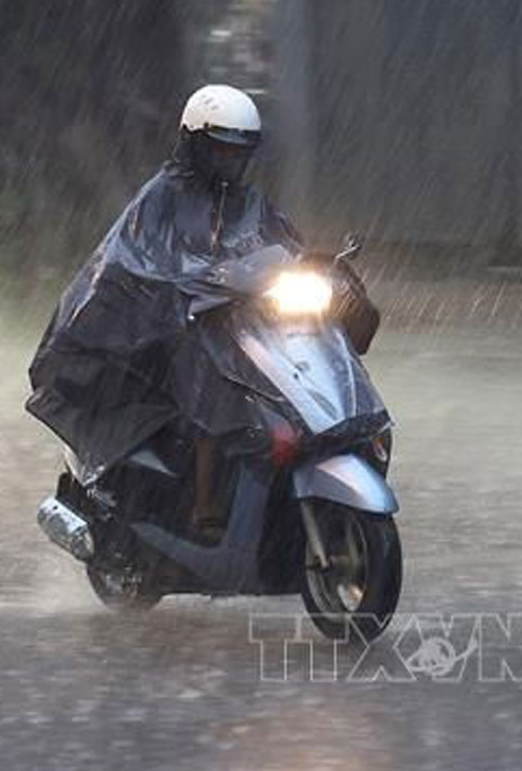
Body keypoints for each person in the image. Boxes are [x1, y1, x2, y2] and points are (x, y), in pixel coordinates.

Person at [27, 85, 377, 543]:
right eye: (220, 149)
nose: (230, 160)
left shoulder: (249, 202)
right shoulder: (161, 197)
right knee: (215, 383)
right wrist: (187, 282)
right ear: (195, 142)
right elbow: (138, 259)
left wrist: (314, 264)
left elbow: (282, 246)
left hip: (242, 321)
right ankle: (205, 502)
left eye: (240, 151)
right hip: (169, 327)